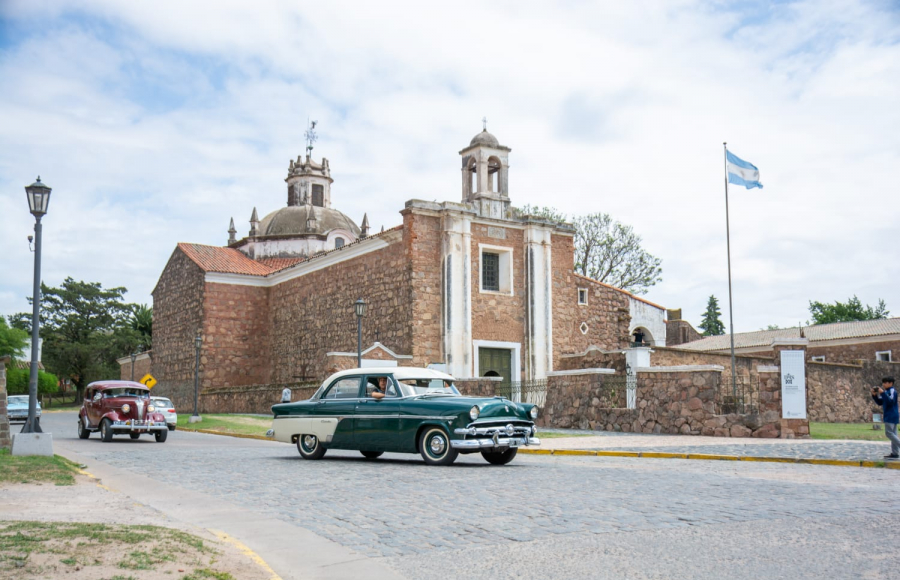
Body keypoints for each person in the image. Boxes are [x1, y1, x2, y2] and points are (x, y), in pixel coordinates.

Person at [871, 376, 899, 459]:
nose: (883, 384)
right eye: (883, 383)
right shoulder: (886, 392)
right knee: (893, 434)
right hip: (889, 415)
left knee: (889, 433)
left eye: (885, 383)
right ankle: (895, 452)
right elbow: (880, 402)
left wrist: (882, 393)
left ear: (891, 383)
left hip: (891, 415)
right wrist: (875, 395)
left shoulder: (892, 391)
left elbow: (891, 401)